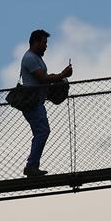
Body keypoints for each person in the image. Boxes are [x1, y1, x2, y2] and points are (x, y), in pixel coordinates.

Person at [19, 29, 73, 177]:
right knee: (42, 131)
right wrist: (62, 75)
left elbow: (43, 78)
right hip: (32, 103)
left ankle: (32, 166)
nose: (46, 46)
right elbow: (43, 79)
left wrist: (58, 80)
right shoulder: (29, 58)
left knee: (41, 132)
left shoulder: (36, 58)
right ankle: (31, 166)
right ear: (36, 42)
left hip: (37, 102)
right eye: (44, 43)